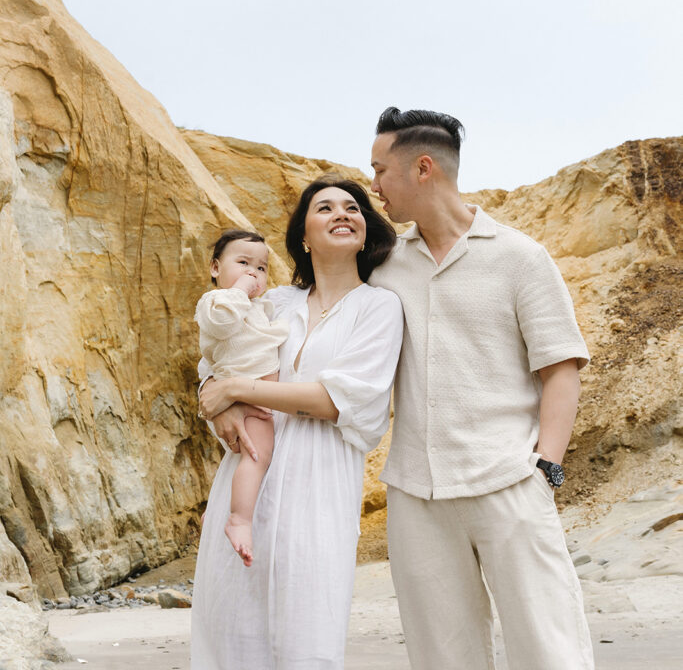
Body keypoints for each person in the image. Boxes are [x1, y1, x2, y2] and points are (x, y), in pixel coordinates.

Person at [369, 106, 595, 670]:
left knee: (550, 648)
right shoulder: (384, 267)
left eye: (380, 170)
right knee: (442, 657)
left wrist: (546, 468)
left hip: (508, 482)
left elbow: (560, 368)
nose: (373, 187)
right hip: (415, 495)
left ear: (423, 168)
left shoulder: (521, 257)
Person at [191, 179, 404, 670]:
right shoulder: (275, 301)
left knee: (307, 629)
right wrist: (217, 399)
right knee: (233, 627)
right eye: (324, 207)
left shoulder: (380, 307)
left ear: (366, 230)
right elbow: (216, 362)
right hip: (249, 472)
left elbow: (336, 401)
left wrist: (236, 391)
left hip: (321, 479)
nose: (341, 213)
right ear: (303, 235)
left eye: (352, 207)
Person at [195, 229, 289, 566]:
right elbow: (220, 325)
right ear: (216, 268)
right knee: (257, 455)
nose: (253, 273)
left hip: (252, 394)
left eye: (261, 268)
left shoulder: (259, 306)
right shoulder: (215, 302)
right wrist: (238, 291)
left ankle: (218, 511)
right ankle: (238, 519)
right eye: (243, 263)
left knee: (250, 459)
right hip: (243, 400)